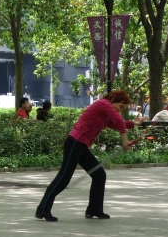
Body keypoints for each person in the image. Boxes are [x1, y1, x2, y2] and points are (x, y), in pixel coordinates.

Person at [35, 90, 143, 222]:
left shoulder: (105, 112)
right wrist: (125, 140)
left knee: (99, 175)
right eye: (121, 107)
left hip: (81, 145)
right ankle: (43, 209)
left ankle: (94, 209)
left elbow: (116, 123)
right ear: (114, 99)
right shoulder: (104, 104)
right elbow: (118, 120)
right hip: (75, 142)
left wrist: (134, 123)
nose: (120, 111)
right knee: (63, 178)